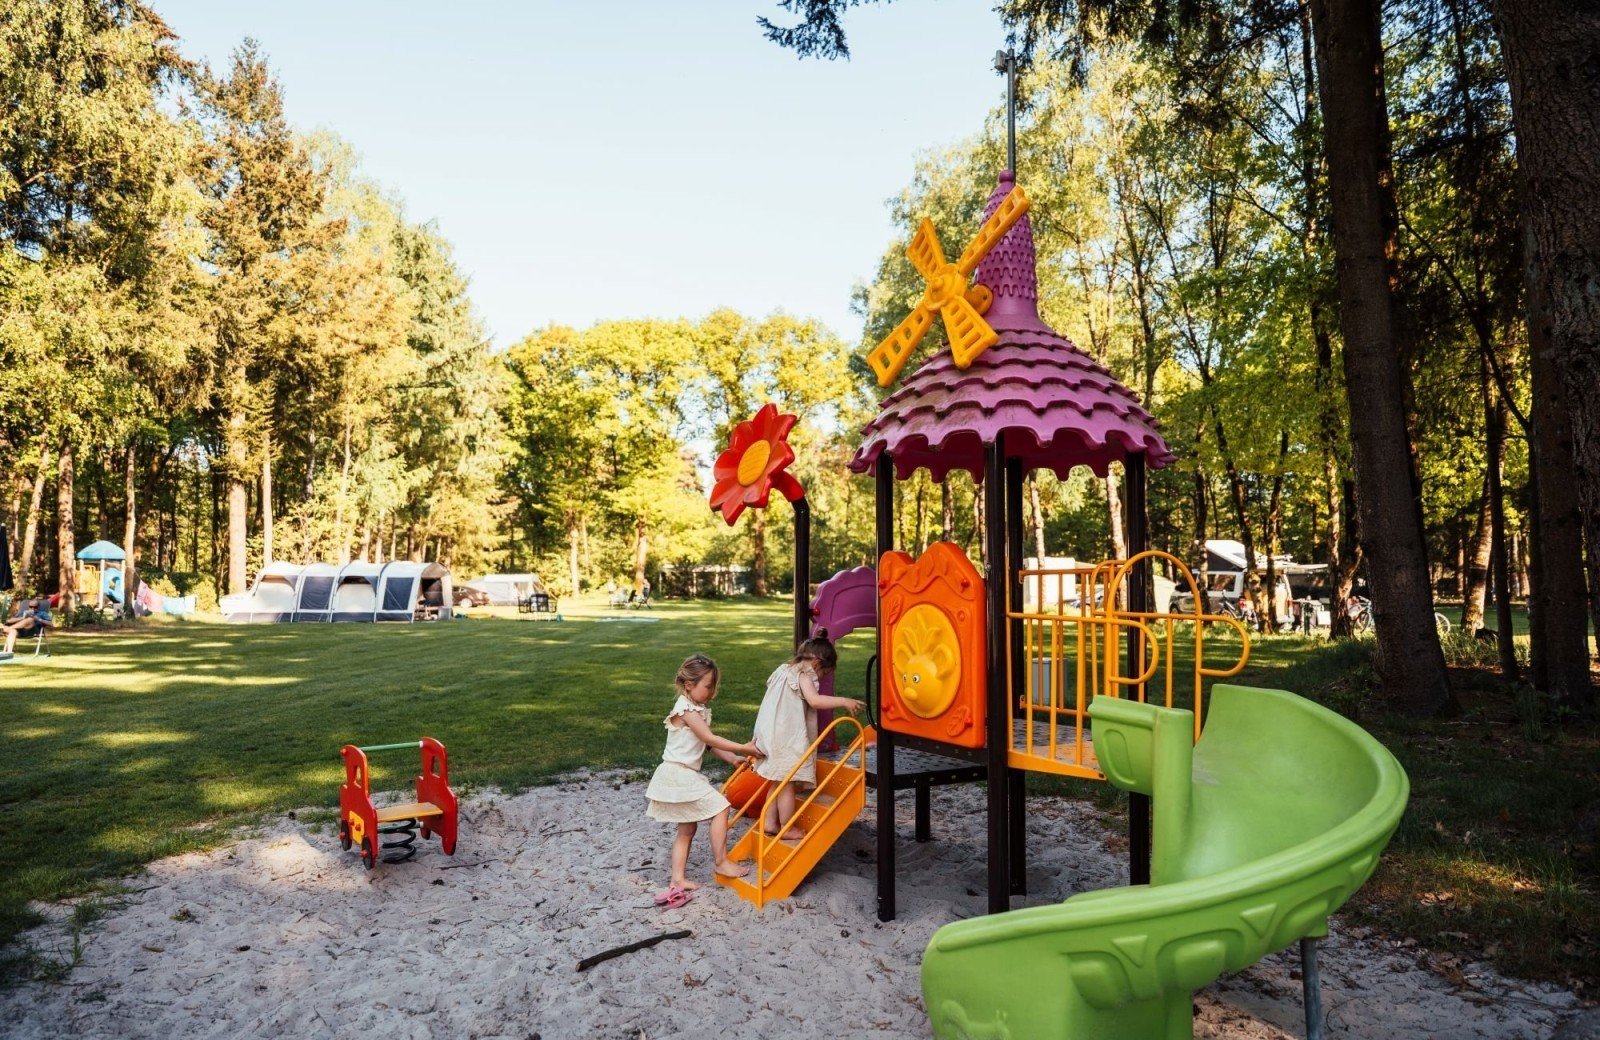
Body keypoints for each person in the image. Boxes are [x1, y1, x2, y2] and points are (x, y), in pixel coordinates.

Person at [644, 653, 762, 903]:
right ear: (689, 685)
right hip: (678, 773)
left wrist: (731, 759)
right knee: (722, 807)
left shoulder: (695, 709)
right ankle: (721, 862)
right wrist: (744, 748)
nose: (711, 692)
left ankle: (678, 879)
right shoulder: (686, 709)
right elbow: (709, 738)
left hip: (683, 774)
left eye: (713, 686)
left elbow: (706, 745)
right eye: (708, 686)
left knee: (687, 827)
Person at [749, 630, 864, 841]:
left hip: (768, 732)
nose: (821, 678)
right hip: (784, 737)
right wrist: (844, 701)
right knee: (787, 783)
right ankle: (786, 827)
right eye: (824, 673)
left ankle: (769, 822)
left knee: (777, 780)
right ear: (818, 663)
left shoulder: (783, 670)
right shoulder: (803, 676)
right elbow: (815, 701)